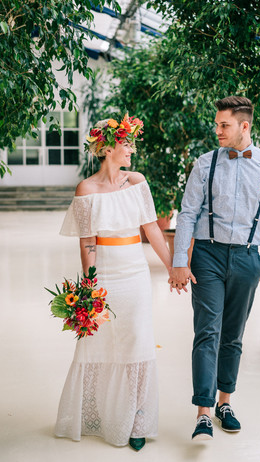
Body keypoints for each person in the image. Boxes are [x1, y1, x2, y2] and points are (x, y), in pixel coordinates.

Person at [168, 96, 260, 441]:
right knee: (207, 330)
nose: (217, 130)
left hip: (247, 258)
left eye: (224, 125)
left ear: (244, 126)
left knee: (233, 335)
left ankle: (225, 403)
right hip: (207, 256)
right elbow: (187, 213)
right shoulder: (205, 164)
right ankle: (203, 412)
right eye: (217, 124)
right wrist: (180, 261)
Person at [55, 114, 172, 451]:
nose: (131, 151)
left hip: (134, 272)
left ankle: (136, 420)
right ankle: (100, 415)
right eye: (126, 144)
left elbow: (152, 229)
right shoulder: (86, 189)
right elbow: (86, 242)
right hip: (104, 275)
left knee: (137, 340)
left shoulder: (137, 182)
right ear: (107, 148)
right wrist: (89, 287)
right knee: (99, 344)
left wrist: (171, 267)